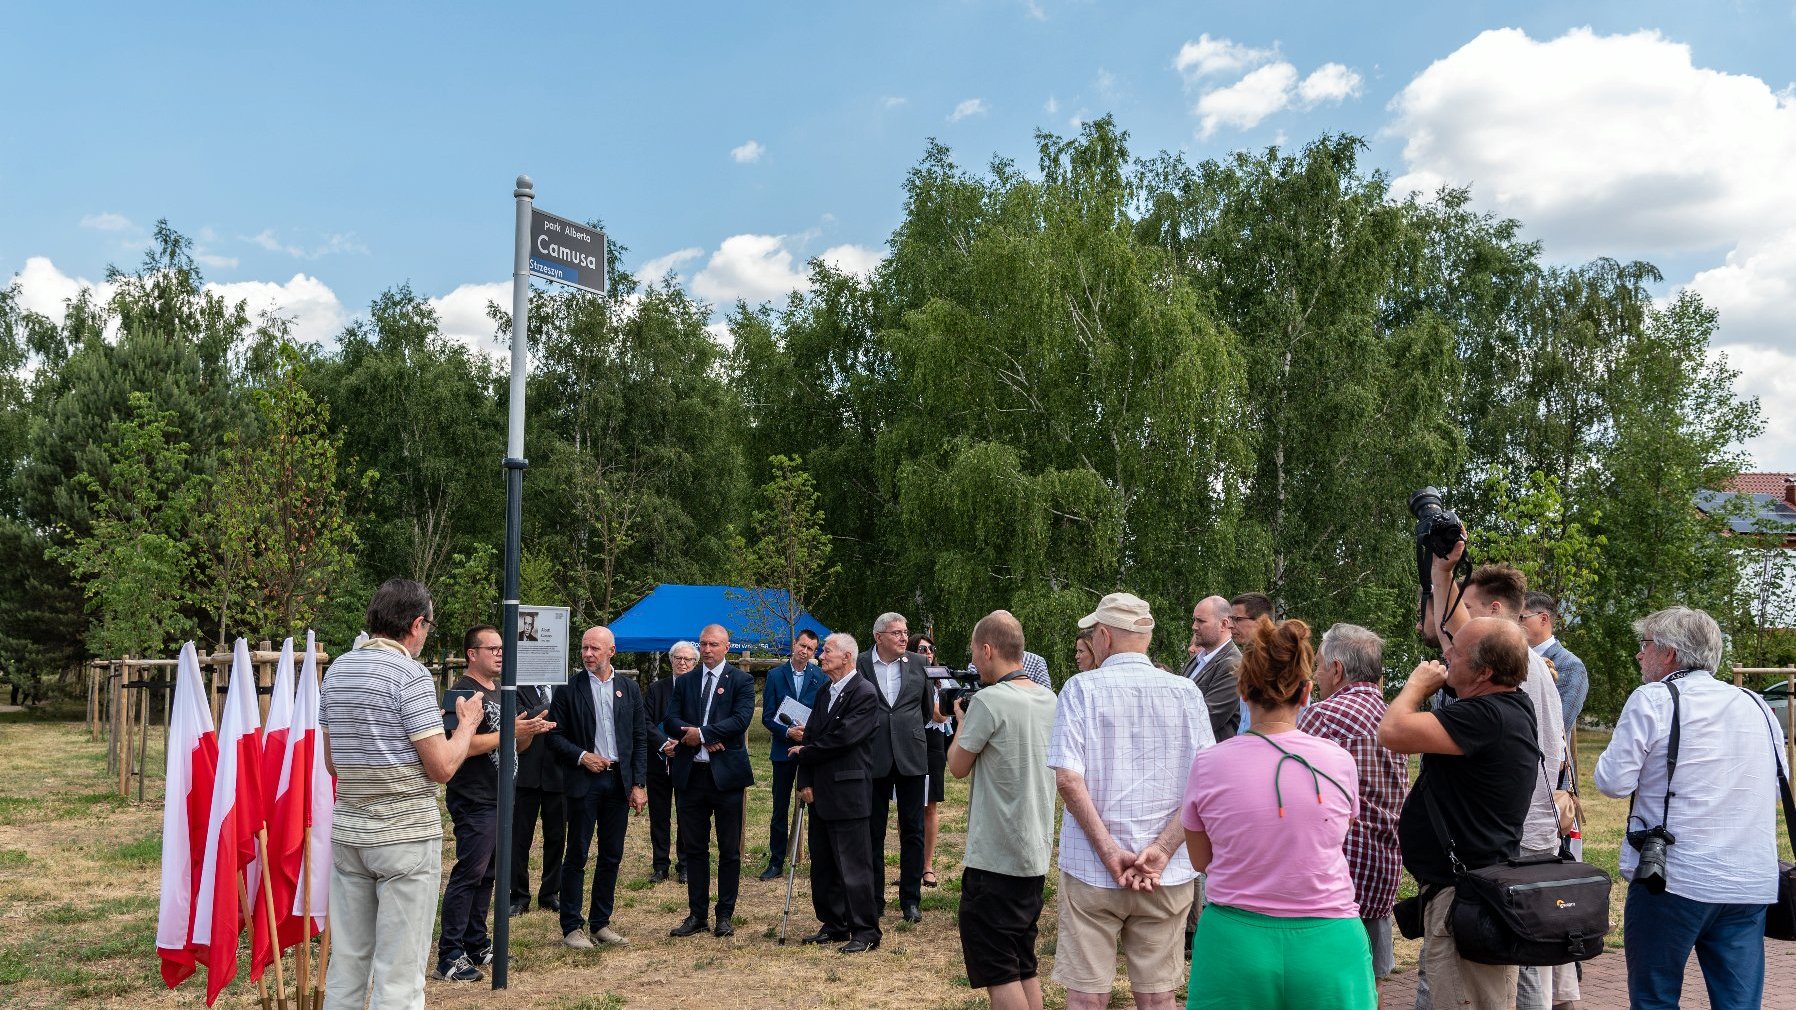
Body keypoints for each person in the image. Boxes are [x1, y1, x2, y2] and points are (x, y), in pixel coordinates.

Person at [1594, 606, 1789, 1010]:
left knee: (1655, 1000)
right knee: (1739, 1004)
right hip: (1748, 879)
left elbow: (1612, 783)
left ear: (1668, 654)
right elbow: (1775, 785)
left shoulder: (1654, 698)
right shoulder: (1757, 704)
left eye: (1643, 645)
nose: (1638, 655)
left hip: (1672, 877)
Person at [1182, 617, 1373, 1009]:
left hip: (1235, 942)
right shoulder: (1339, 762)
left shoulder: (1208, 764)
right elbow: (1331, 839)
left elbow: (1201, 860)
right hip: (1329, 942)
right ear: (1306, 694)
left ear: (1242, 689)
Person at [319, 579, 483, 1010]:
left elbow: (332, 763)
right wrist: (466, 726)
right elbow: (443, 766)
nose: (427, 633)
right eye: (429, 624)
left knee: (348, 963)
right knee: (400, 972)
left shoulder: (337, 670)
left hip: (349, 833)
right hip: (405, 836)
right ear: (415, 624)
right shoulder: (410, 675)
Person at [1047, 592, 1214, 1010]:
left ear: (1104, 636)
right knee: (1159, 998)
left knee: (1087, 997)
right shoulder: (1186, 693)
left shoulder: (1081, 689)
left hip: (1092, 868)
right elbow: (1205, 783)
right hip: (1165, 872)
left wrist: (1108, 850)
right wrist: (1159, 851)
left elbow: (1068, 778)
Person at [1428, 549, 1567, 1009]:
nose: (1457, 640)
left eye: (1467, 610)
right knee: (1524, 957)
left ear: (1492, 612)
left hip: (1513, 834)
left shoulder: (1506, 669)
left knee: (1513, 958)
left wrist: (1442, 571)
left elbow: (1450, 637)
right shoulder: (1526, 666)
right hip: (1530, 826)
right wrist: (1441, 572)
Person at [1379, 617, 1540, 1010]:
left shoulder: (1485, 716)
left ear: (1484, 671)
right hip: (1473, 889)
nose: (1445, 655)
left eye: (1456, 651)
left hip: (1465, 897)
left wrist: (1416, 685)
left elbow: (1392, 731)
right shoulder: (1509, 706)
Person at [947, 611, 1057, 1010]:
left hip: (994, 857)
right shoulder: (1049, 698)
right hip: (1034, 851)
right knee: (1022, 961)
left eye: (975, 653)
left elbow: (957, 766)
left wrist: (960, 720)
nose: (974, 662)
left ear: (988, 649)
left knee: (997, 969)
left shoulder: (991, 700)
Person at [433, 625, 554, 981]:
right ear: (472, 653)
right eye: (493, 648)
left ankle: (476, 942)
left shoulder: (503, 691)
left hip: (504, 794)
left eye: (503, 648)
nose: (501, 654)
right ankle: (450, 954)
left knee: (490, 874)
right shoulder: (460, 694)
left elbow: (514, 746)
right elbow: (460, 746)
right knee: (469, 873)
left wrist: (526, 733)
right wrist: (509, 734)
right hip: (474, 796)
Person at [1296, 623, 1407, 980]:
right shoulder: (1393, 715)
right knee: (1370, 983)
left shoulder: (1323, 716)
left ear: (1338, 669)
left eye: (1318, 665)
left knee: (1327, 983)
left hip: (1340, 867)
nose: (1316, 674)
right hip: (1385, 861)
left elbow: (1296, 791)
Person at [547, 626, 648, 948]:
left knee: (611, 855)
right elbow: (554, 737)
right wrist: (582, 756)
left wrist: (638, 784)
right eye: (584, 648)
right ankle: (572, 927)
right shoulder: (567, 689)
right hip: (584, 781)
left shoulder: (629, 689)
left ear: (611, 652)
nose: (588, 654)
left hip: (618, 782)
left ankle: (600, 923)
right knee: (577, 852)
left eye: (594, 649)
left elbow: (639, 738)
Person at [791, 632, 882, 952]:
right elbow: (811, 734)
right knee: (824, 863)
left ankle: (866, 931)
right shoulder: (824, 691)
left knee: (854, 865)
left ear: (847, 657)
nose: (821, 656)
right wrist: (804, 781)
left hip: (848, 790)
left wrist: (806, 753)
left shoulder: (865, 692)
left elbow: (844, 738)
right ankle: (835, 923)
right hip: (820, 792)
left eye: (827, 651)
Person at [664, 623, 756, 937]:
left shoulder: (741, 680)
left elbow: (741, 719)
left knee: (729, 850)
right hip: (692, 777)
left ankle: (725, 914)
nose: (706, 650)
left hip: (726, 778)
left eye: (713, 644)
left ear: (726, 647)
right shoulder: (686, 681)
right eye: (703, 644)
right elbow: (671, 719)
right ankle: (697, 914)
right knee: (695, 848)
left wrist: (701, 735)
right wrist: (695, 738)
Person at [857, 612, 934, 923]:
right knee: (872, 831)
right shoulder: (861, 663)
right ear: (879, 637)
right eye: (896, 633)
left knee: (913, 830)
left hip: (911, 756)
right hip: (872, 755)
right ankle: (874, 899)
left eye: (905, 632)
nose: (904, 637)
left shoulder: (918, 663)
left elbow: (927, 708)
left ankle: (910, 899)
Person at [760, 628, 828, 881]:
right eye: (802, 646)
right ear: (794, 644)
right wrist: (789, 733)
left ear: (814, 652)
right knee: (779, 808)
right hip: (783, 751)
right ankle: (776, 860)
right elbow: (767, 716)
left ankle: (817, 861)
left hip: (809, 751)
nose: (804, 651)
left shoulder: (820, 677)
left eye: (810, 649)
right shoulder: (776, 675)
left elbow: (823, 715)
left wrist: (807, 736)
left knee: (814, 806)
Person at [509, 676, 565, 916]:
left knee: (556, 838)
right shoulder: (515, 687)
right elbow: (523, 722)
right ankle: (519, 896)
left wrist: (540, 714)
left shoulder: (564, 688)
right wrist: (551, 708)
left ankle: (550, 892)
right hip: (525, 775)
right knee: (519, 838)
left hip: (558, 774)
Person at [644, 641, 695, 884]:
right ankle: (660, 865)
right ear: (670, 660)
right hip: (658, 761)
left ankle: (685, 865)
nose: (682, 663)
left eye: (687, 659)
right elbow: (644, 722)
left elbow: (701, 724)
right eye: (678, 658)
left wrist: (682, 745)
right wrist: (664, 744)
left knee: (686, 814)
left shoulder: (698, 689)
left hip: (689, 760)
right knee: (659, 814)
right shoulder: (656, 689)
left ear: (695, 663)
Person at [911, 632, 950, 890]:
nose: (927, 653)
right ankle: (910, 864)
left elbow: (941, 715)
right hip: (910, 741)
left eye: (930, 649)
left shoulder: (941, 679)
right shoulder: (907, 676)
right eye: (921, 649)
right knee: (908, 806)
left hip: (933, 743)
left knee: (930, 807)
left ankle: (927, 865)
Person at [1522, 591, 1588, 733]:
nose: (1514, 623)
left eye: (1521, 617)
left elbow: (1560, 725)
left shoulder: (1570, 665)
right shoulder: (1510, 658)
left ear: (1543, 619)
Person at [1181, 596, 1242, 743]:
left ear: (1224, 624)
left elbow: (1207, 718)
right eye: (1194, 620)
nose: (1194, 626)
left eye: (1201, 621)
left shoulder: (1234, 665)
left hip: (1214, 759)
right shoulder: (1198, 659)